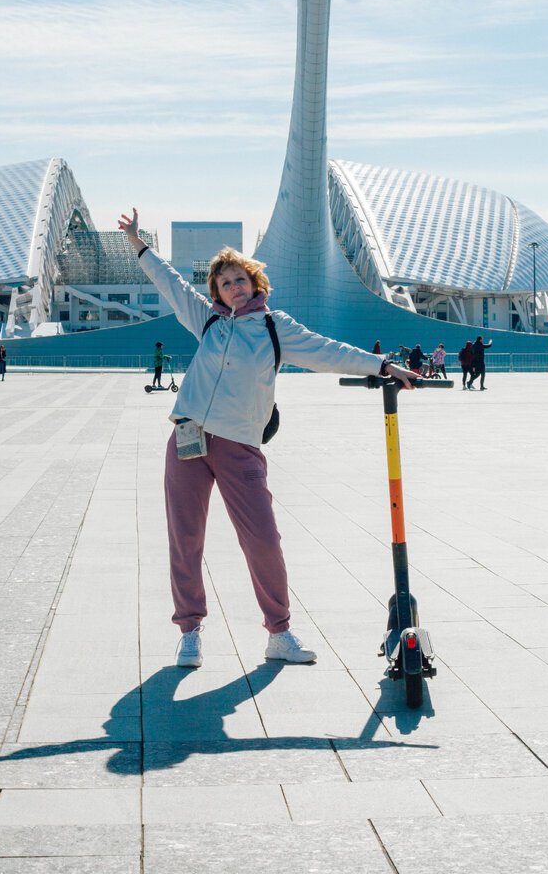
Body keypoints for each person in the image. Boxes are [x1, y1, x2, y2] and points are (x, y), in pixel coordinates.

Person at [119, 207, 416, 669]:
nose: (234, 287)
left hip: (239, 446)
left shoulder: (277, 328)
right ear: (216, 292)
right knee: (186, 538)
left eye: (241, 279)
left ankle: (279, 633)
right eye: (225, 283)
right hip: (188, 439)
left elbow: (328, 351)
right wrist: (139, 243)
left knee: (263, 539)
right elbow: (170, 282)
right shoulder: (207, 321)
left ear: (255, 283)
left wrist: (383, 366)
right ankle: (190, 631)